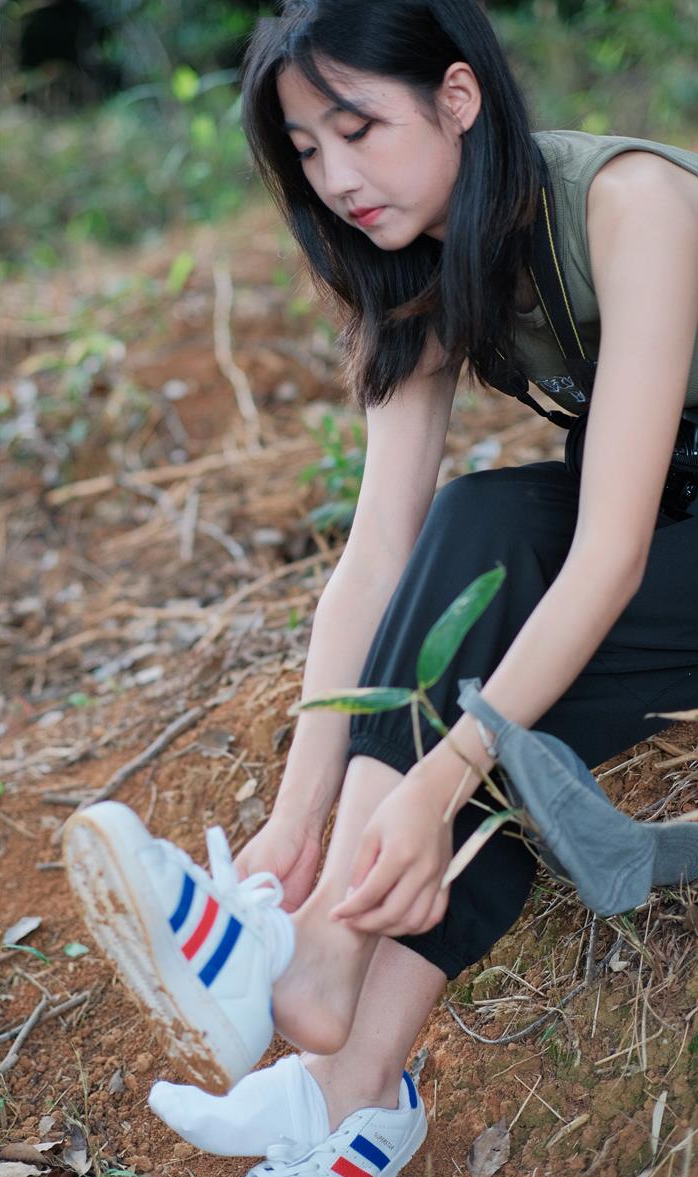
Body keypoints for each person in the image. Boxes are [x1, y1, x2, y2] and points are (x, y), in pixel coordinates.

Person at [63, 1, 698, 1173]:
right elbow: (377, 550)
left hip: (661, 536)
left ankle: (314, 974)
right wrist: (294, 828)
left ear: (458, 99)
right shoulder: (418, 261)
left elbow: (611, 551)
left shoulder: (630, 205)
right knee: (479, 523)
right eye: (307, 150)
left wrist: (445, 767)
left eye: (357, 127)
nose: (336, 176)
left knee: (504, 693)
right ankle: (348, 1080)